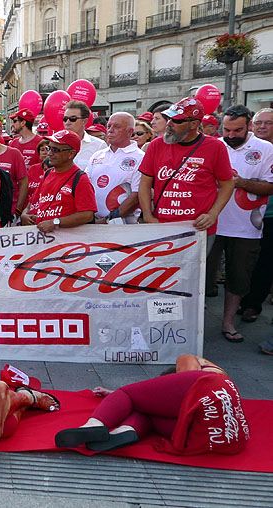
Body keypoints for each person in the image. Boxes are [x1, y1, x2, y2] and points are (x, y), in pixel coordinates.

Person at [55, 367, 247, 454]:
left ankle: (94, 424)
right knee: (147, 412)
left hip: (207, 389)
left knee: (128, 395)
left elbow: (136, 394)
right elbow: (154, 401)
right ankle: (125, 431)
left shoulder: (190, 365)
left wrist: (119, 396)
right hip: (209, 436)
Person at [204, 106, 273, 343]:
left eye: (237, 130)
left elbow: (270, 186)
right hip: (210, 223)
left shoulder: (266, 149)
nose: (231, 135)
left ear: (250, 127)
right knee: (202, 276)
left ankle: (228, 322)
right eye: (226, 129)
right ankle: (196, 323)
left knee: (238, 277)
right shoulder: (213, 145)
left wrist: (241, 183)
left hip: (246, 227)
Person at [138, 97, 235, 240]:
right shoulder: (156, 145)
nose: (169, 124)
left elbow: (227, 184)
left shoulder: (215, 147)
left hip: (198, 229)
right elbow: (145, 183)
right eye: (169, 118)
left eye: (176, 120)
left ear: (194, 124)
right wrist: (148, 216)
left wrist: (213, 214)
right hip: (162, 227)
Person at [20, 130, 95, 232]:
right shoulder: (47, 173)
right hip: (46, 241)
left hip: (67, 243)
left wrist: (55, 222)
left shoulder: (80, 179)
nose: (49, 153)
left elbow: (87, 215)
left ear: (71, 154)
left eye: (55, 150)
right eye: (49, 148)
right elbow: (34, 200)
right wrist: (25, 213)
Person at [240, 108, 273, 325]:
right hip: (244, 215)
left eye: (268, 123)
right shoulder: (244, 148)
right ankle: (240, 300)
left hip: (269, 216)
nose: (261, 126)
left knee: (265, 262)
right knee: (245, 262)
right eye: (258, 122)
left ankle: (252, 304)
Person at [86, 112, 144, 224]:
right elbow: (85, 187)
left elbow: (137, 195)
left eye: (117, 127)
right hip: (93, 225)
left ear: (130, 132)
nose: (110, 130)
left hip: (123, 227)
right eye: (109, 126)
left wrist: (109, 219)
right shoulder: (97, 155)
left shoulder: (140, 157)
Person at [62, 100, 107, 172]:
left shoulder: (99, 146)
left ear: (84, 121)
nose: (67, 122)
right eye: (65, 119)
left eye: (73, 119)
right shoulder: (55, 144)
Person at [24, 139, 51, 213]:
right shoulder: (33, 169)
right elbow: (25, 190)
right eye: (42, 150)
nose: (45, 152)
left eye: (47, 149)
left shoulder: (57, 168)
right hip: (30, 209)